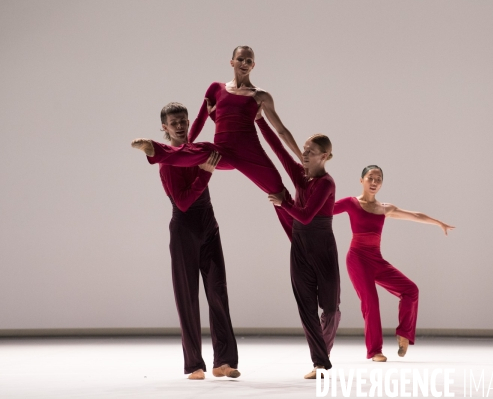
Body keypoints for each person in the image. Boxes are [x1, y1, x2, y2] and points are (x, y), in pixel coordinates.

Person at [132, 46, 301, 239]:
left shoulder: (260, 96)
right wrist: (186, 147)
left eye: (249, 61)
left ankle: (301, 243)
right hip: (222, 151)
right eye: (240, 59)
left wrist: (300, 157)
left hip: (250, 153)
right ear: (232, 62)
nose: (244, 64)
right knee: (203, 150)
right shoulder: (216, 89)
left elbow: (281, 130)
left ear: (253, 65)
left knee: (279, 192)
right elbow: (199, 119)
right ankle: (153, 149)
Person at [151, 102, 240, 380]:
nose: (180, 125)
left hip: (209, 228)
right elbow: (184, 201)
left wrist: (212, 111)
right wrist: (204, 172)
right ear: (164, 128)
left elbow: (231, 161)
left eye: (183, 121)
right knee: (187, 298)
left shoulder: (200, 150)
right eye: (174, 122)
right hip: (183, 231)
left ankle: (223, 361)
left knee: (218, 293)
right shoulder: (167, 162)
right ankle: (194, 365)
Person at [333, 165, 455, 362]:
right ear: (361, 180)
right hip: (357, 259)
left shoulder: (385, 208)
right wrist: (290, 207)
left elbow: (415, 215)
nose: (374, 182)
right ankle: (375, 351)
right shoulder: (351, 202)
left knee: (411, 290)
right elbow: (323, 210)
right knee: (371, 302)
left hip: (376, 259)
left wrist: (438, 222)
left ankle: (404, 333)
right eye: (370, 178)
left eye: (378, 179)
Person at [255, 110, 340, 379]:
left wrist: (284, 203)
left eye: (311, 151)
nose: (304, 154)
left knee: (330, 309)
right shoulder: (301, 176)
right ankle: (319, 362)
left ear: (324, 156)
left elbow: (305, 215)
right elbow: (280, 150)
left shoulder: (326, 183)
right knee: (306, 307)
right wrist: (259, 120)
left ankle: (322, 353)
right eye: (304, 149)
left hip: (323, 247)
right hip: (300, 247)